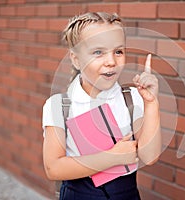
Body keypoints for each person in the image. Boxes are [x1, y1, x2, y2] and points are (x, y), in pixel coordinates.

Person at [42, 12, 161, 200]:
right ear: (76, 59)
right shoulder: (59, 106)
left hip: (126, 194)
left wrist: (151, 103)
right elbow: (53, 168)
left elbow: (150, 156)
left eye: (118, 51)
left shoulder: (131, 99)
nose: (111, 61)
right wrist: (112, 158)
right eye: (98, 52)